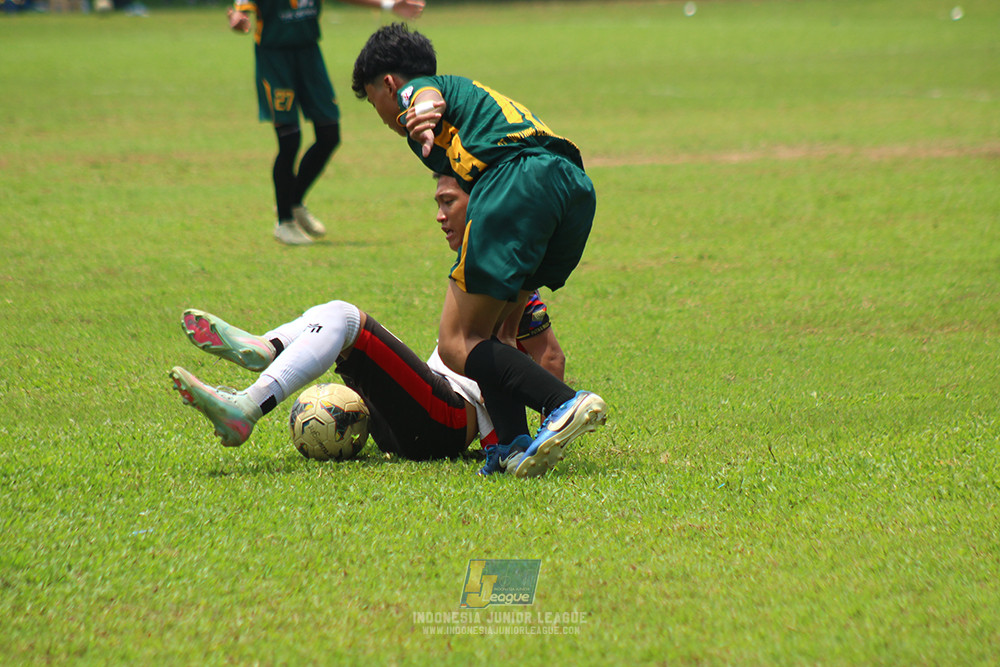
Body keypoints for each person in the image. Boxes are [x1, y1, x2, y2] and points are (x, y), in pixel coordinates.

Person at [351, 23, 607, 476]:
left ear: (389, 85)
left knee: (456, 343)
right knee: (497, 336)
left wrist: (422, 111)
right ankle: (510, 444)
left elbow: (423, 97)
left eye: (375, 103)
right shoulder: (473, 102)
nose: (383, 116)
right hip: (567, 186)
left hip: (517, 182)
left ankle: (564, 403)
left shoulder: (422, 93)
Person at [227, 0, 426, 245]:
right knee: (290, 139)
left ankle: (294, 201)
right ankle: (285, 221)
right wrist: (236, 18)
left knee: (329, 134)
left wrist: (389, 4)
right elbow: (240, 8)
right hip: (275, 58)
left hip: (309, 56)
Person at [433, 173, 565, 383]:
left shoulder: (497, 278)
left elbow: (551, 358)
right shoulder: (483, 268)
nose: (440, 216)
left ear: (483, 200)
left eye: (449, 202)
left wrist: (557, 413)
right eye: (438, 204)